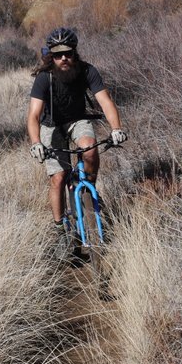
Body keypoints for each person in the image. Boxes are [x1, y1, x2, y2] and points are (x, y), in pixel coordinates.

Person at [27, 27, 127, 257]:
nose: (64, 58)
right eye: (58, 54)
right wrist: (35, 142)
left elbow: (106, 101)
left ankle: (90, 190)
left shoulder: (87, 71)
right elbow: (33, 115)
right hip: (51, 126)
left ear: (75, 52)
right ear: (51, 56)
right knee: (58, 177)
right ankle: (60, 229)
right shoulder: (45, 77)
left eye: (68, 53)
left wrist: (116, 128)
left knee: (90, 149)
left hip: (77, 120)